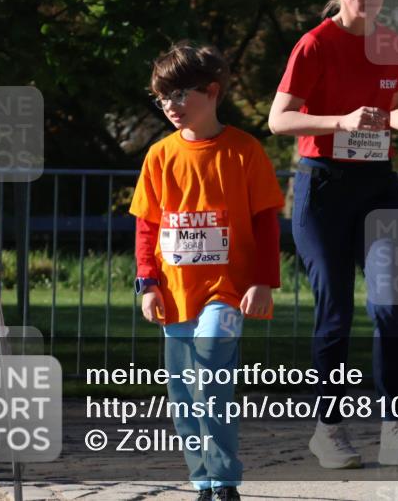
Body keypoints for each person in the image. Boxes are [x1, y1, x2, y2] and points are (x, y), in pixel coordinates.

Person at [268, 0, 398, 469]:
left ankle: (395, 429)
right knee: (336, 310)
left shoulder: (391, 44)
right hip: (323, 188)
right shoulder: (315, 44)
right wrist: (340, 121)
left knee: (392, 305)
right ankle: (329, 430)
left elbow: (392, 108)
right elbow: (279, 119)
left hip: (377, 185)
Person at [131, 40, 285, 500]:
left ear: (212, 91)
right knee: (183, 392)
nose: (170, 106)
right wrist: (147, 283)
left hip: (227, 292)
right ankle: (202, 480)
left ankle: (224, 481)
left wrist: (262, 281)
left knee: (212, 380)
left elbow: (267, 223)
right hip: (175, 293)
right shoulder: (159, 155)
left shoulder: (244, 150)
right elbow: (146, 226)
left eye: (180, 94)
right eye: (162, 98)